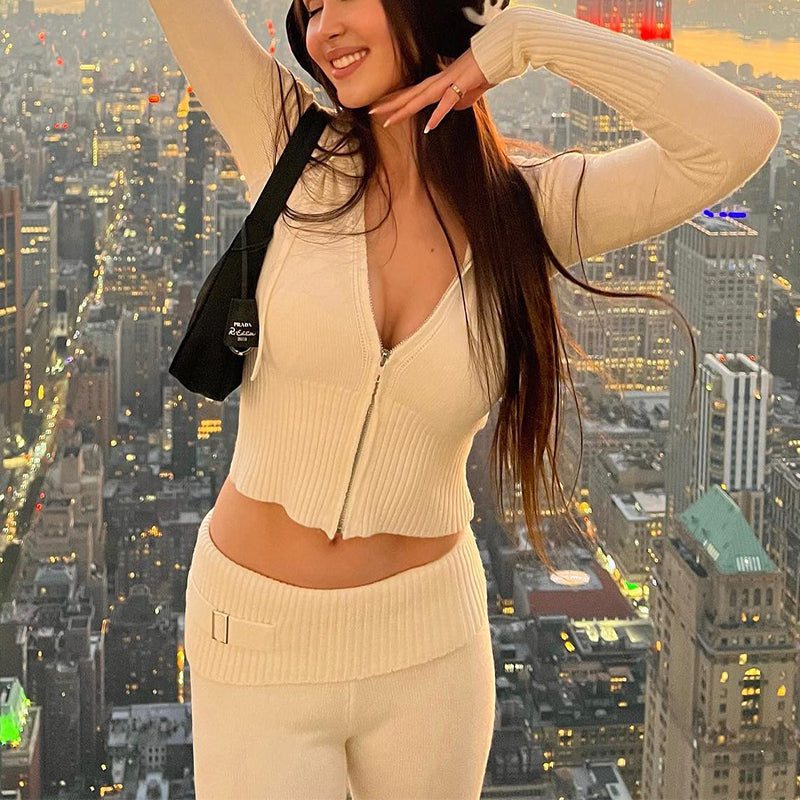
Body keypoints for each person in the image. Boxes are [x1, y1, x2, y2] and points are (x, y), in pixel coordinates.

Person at [147, 0, 781, 797]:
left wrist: (527, 38)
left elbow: (738, 137)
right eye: (308, 9)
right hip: (255, 634)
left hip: (430, 655)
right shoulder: (284, 139)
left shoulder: (529, 212)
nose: (320, 29)